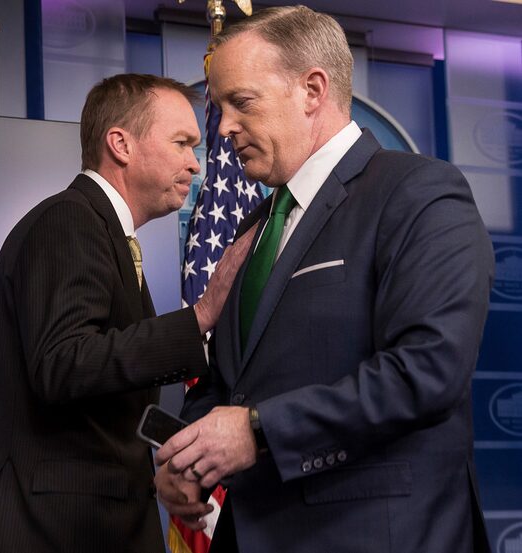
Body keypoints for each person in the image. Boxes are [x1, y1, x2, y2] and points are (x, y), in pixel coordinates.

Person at [154, 6, 494, 553]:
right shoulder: (258, 225)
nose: (223, 127)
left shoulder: (419, 193)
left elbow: (429, 369)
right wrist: (187, 455)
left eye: (240, 102)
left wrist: (260, 428)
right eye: (219, 107)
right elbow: (228, 383)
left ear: (313, 90)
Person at [0, 74, 255, 553]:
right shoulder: (68, 222)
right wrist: (200, 315)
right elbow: (64, 363)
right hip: (57, 531)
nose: (194, 166)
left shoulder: (107, 234)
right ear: (120, 144)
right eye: (181, 143)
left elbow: (112, 395)